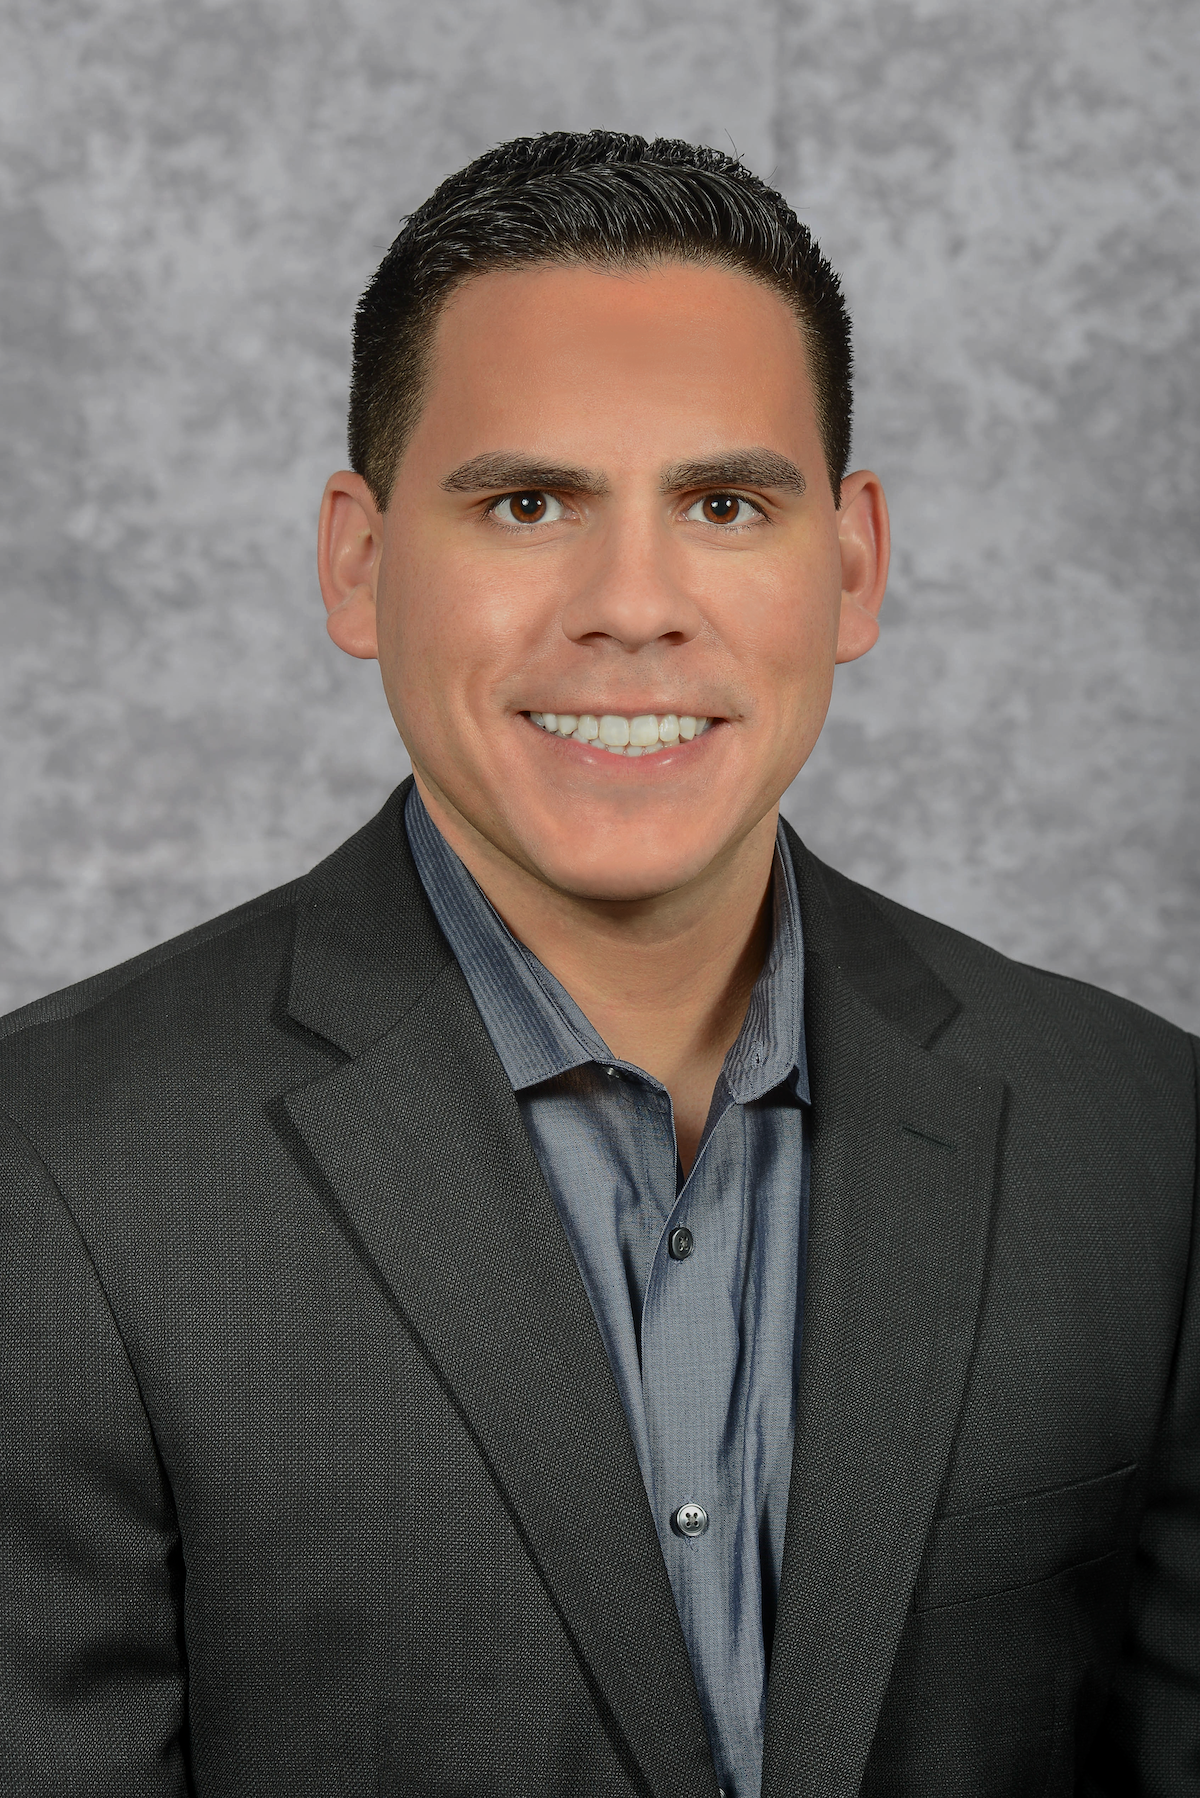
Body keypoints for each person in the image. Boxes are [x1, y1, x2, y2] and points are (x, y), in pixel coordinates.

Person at [0, 130, 1195, 1798]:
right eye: (527, 501)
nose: (632, 604)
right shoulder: (51, 1166)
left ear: (850, 561)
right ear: (361, 559)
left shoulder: (1142, 1135)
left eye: (722, 502)